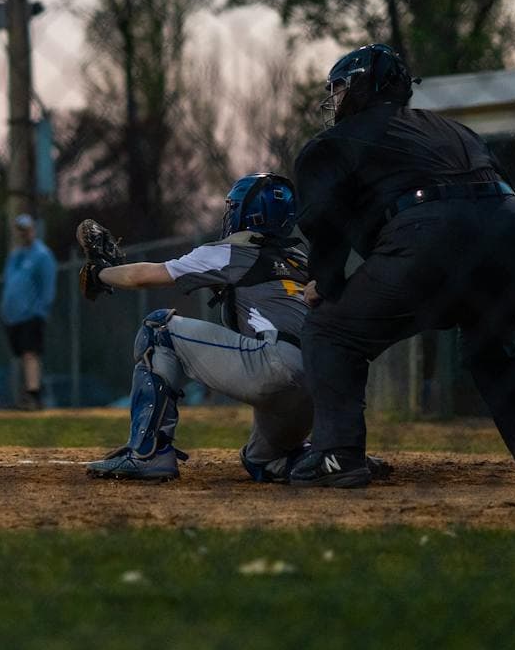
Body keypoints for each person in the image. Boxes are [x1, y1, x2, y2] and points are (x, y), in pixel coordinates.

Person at [288, 43, 515, 489]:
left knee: (330, 332)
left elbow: (326, 219)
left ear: (361, 88)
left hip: (433, 232)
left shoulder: (334, 141)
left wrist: (326, 280)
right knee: (494, 346)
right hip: (514, 229)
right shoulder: (454, 129)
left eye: (340, 88)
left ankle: (337, 456)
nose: (335, 99)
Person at [76, 174, 389, 484]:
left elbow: (142, 276)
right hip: (318, 388)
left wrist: (101, 273)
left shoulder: (232, 250)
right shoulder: (302, 259)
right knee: (263, 461)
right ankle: (336, 457)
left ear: (246, 213)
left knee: (159, 329)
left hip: (275, 366)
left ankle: (147, 453)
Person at [0, 213, 57, 409]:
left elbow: (47, 287)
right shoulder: (14, 256)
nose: (23, 234)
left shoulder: (42, 255)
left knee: (30, 354)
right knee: (20, 356)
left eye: (26, 229)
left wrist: (40, 310)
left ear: (33, 230)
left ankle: (34, 395)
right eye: (20, 230)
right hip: (12, 316)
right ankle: (22, 396)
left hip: (31, 314)